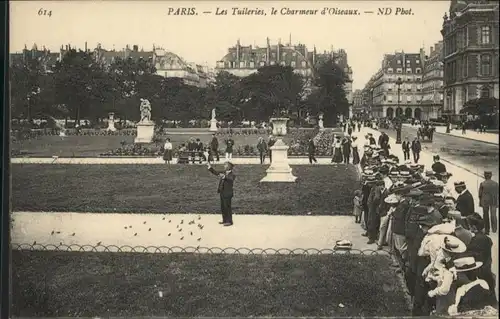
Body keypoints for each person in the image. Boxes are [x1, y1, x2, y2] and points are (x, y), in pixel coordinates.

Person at [466, 215, 496, 300]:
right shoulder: (486, 238)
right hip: (487, 267)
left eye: (470, 226)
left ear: (474, 227)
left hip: (481, 270)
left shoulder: (476, 240)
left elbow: (472, 255)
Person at [207, 161, 236, 226]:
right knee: (223, 207)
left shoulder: (232, 175)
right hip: (222, 192)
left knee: (227, 207)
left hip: (227, 194)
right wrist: (210, 167)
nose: (224, 166)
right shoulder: (224, 173)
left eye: (225, 165)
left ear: (229, 167)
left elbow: (230, 179)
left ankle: (229, 221)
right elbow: (216, 172)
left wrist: (224, 177)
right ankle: (225, 220)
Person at [478, 171, 498, 235]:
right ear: (491, 175)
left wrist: (480, 201)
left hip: (485, 201)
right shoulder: (496, 184)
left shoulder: (482, 183)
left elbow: (480, 194)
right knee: (493, 215)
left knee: (485, 215)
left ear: (485, 176)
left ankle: (487, 230)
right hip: (494, 201)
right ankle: (494, 229)